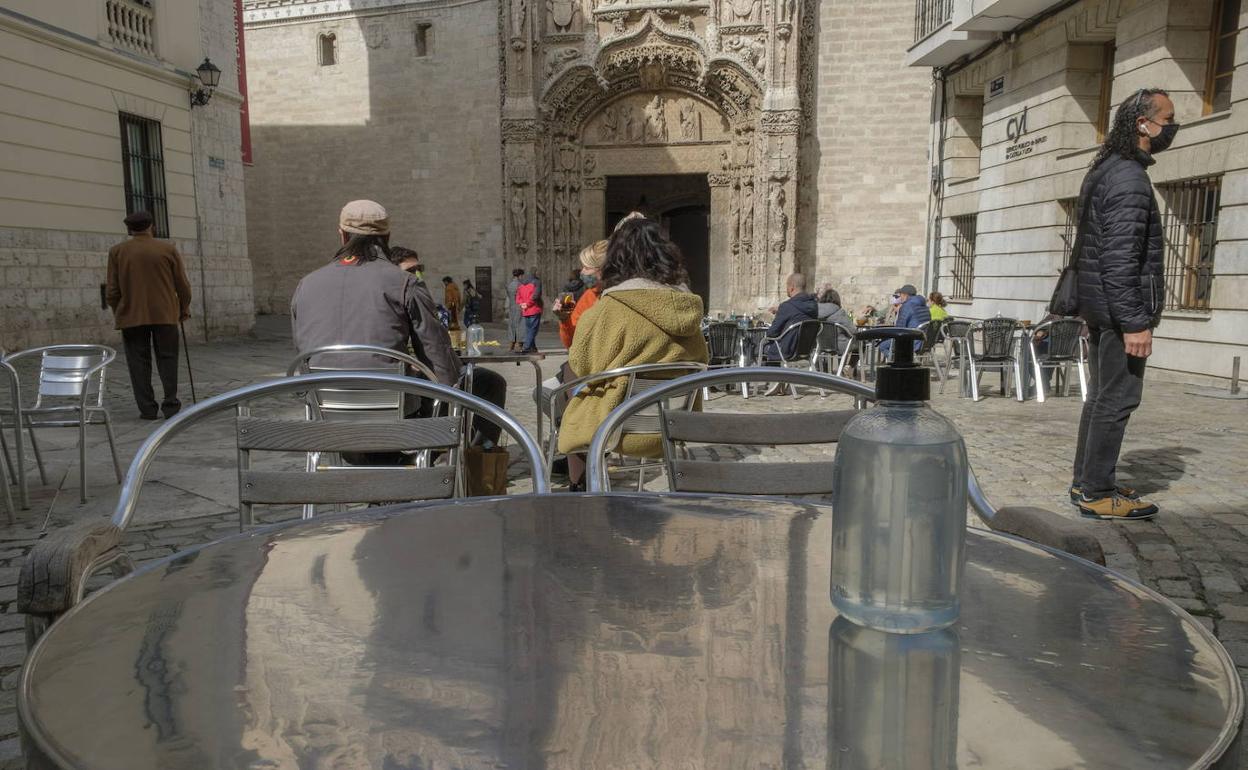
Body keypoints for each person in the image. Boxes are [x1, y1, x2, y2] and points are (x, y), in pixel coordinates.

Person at [290, 201, 507, 449]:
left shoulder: (306, 284)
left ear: (342, 236)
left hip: (326, 413)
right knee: (485, 382)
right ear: (387, 237)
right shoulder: (404, 284)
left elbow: (301, 354)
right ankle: (473, 458)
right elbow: (439, 361)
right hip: (393, 414)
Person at [1071, 88, 1172, 522]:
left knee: (1100, 398)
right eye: (1166, 119)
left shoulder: (1107, 170)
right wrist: (1135, 322)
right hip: (1119, 313)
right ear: (1142, 124)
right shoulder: (1129, 177)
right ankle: (1096, 491)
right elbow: (1118, 257)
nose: (1170, 127)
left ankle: (1087, 481)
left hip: (1102, 309)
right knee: (1118, 399)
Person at [558, 217, 708, 491]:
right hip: (673, 426)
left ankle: (578, 483)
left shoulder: (607, 310)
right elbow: (701, 361)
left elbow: (583, 363)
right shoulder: (687, 310)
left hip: (617, 429)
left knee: (569, 373)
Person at [106, 210, 193, 419]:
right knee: (168, 358)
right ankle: (171, 403)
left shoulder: (117, 252)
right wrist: (183, 308)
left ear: (129, 229)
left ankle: (147, 408)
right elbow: (182, 285)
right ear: (151, 226)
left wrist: (120, 309)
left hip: (132, 316)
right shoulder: (167, 249)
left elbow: (112, 291)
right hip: (165, 313)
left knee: (137, 361)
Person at [557, 240, 607, 348]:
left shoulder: (622, 293)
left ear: (603, 270)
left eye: (587, 268)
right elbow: (571, 343)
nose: (582, 272)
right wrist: (564, 319)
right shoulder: (589, 295)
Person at [761, 273, 818, 361]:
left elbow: (771, 333)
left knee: (756, 346)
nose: (786, 289)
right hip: (806, 351)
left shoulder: (787, 306)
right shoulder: (814, 306)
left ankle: (754, 374)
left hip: (785, 350)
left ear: (792, 287)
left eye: (787, 286)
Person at [879, 284, 931, 359]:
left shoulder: (907, 306)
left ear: (905, 295)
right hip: (924, 341)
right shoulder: (924, 306)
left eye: (901, 295)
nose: (900, 298)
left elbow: (899, 328)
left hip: (911, 340)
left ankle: (898, 362)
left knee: (883, 345)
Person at [516, 268, 543, 353]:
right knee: (533, 330)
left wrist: (522, 304)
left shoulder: (521, 285)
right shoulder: (536, 282)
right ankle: (526, 347)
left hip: (525, 310)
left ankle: (533, 347)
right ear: (535, 273)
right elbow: (535, 296)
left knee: (529, 329)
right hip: (534, 309)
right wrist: (527, 304)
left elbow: (517, 298)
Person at [506, 268, 525, 351]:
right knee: (520, 325)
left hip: (512, 306)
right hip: (519, 307)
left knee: (512, 325)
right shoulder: (520, 285)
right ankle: (519, 344)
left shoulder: (509, 285)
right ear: (520, 276)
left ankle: (511, 343)